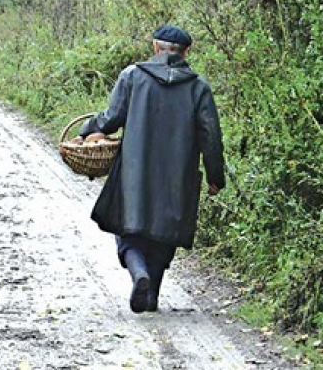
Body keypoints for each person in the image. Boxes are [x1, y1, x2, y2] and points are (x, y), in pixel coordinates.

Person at [71, 24, 225, 313]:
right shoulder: (198, 87)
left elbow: (111, 118)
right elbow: (210, 136)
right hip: (178, 175)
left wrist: (85, 132)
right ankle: (151, 291)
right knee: (166, 231)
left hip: (134, 170)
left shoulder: (133, 76)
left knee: (128, 226)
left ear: (155, 48)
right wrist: (216, 176)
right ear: (186, 52)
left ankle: (138, 272)